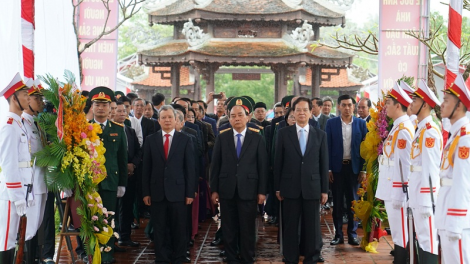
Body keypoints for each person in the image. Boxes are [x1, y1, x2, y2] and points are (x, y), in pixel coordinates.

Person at [210, 97, 268, 264]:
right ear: (229, 118)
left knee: (248, 227)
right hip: (227, 189)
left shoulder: (257, 137)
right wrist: (214, 189)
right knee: (228, 227)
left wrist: (262, 191)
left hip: (249, 189)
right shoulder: (222, 137)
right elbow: (215, 165)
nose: (237, 118)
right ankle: (231, 257)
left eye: (240, 115)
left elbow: (262, 167)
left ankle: (248, 257)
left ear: (248, 117)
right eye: (233, 115)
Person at [274, 97, 329, 264]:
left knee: (312, 227)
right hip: (289, 187)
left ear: (311, 112)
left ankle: (311, 257)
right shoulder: (283, 133)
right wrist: (277, 187)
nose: (302, 113)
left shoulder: (320, 135)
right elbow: (278, 162)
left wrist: (324, 190)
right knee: (290, 225)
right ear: (293, 112)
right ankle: (290, 256)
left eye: (305, 109)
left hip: (312, 186)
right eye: (298, 110)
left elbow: (323, 163)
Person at [142, 105, 196, 264]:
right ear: (158, 120)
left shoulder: (186, 139)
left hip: (179, 192)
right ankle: (162, 257)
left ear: (176, 120)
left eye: (170, 117)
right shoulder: (151, 140)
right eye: (163, 117)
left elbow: (190, 169)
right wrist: (146, 192)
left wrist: (190, 193)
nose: (167, 120)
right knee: (159, 228)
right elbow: (146, 169)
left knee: (179, 228)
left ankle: (179, 256)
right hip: (157, 192)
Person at [375, 82, 414, 263]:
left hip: (397, 189)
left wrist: (401, 191)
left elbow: (405, 165)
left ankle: (402, 259)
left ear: (399, 105)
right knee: (398, 230)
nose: (386, 107)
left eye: (389, 103)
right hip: (391, 186)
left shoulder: (404, 130)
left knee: (400, 231)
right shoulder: (397, 127)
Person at [89, 86, 128, 264]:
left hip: (110, 182)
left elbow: (122, 159)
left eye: (104, 104)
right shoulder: (84, 128)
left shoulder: (118, 129)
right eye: (97, 104)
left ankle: (107, 254)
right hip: (89, 183)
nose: (101, 108)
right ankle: (91, 253)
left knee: (109, 218)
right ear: (92, 106)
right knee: (90, 219)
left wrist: (122, 183)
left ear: (109, 106)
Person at [436, 74, 470, 263]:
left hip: (457, 217)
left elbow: (463, 182)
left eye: (447, 101)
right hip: (447, 211)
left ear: (459, 106)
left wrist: (455, 220)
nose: (442, 104)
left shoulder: (465, 139)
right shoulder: (455, 136)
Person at [325, 94, 367, 246]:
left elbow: (365, 149)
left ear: (353, 106)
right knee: (337, 202)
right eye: (344, 105)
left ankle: (352, 234)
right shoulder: (331, 124)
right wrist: (328, 169)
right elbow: (327, 147)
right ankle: (338, 235)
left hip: (354, 169)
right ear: (339, 106)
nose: (347, 108)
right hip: (336, 169)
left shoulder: (361, 124)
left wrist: (364, 170)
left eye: (349, 105)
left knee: (353, 203)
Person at [408, 80, 442, 263]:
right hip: (417, 192)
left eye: (416, 100)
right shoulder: (420, 129)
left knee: (428, 241)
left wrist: (427, 199)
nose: (411, 103)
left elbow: (431, 168)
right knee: (422, 239)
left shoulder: (429, 132)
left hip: (425, 197)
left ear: (426, 104)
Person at [0, 73, 32, 263]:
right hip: (12, 195)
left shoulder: (19, 124)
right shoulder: (9, 126)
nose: (28, 98)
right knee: (6, 241)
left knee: (15, 240)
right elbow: (8, 163)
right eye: (24, 94)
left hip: (21, 191)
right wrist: (17, 196)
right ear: (14, 98)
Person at [22, 79, 47, 263]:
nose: (41, 102)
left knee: (36, 226)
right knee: (28, 230)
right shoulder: (22, 123)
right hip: (30, 185)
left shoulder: (37, 123)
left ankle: (34, 258)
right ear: (27, 100)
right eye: (37, 98)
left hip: (41, 181)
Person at [114, 102, 142, 248]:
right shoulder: (109, 131)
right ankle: (111, 239)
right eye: (118, 111)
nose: (121, 113)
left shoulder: (130, 131)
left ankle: (125, 236)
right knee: (113, 208)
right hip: (114, 175)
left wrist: (133, 164)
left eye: (123, 111)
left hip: (130, 175)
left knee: (127, 206)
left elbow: (139, 151)